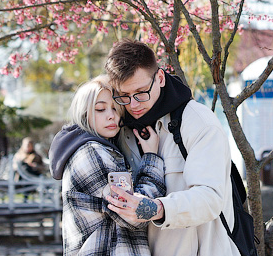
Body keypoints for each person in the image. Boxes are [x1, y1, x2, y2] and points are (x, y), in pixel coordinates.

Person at [102, 39, 239, 256]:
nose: (133, 105)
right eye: (124, 96)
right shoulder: (118, 128)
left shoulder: (198, 121)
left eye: (140, 92)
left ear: (160, 78)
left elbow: (210, 199)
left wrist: (155, 208)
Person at [49, 75, 165, 256]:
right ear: (84, 113)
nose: (111, 116)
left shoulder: (97, 149)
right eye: (100, 109)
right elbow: (134, 214)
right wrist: (151, 158)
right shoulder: (92, 153)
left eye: (116, 109)